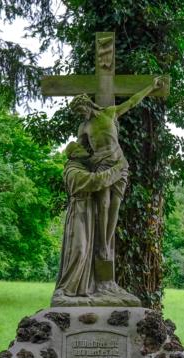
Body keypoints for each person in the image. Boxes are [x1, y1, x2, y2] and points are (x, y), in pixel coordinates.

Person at [68, 75, 167, 303]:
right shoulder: (84, 127)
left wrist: (151, 86)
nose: (80, 115)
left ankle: (106, 243)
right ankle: (102, 245)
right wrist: (74, 167)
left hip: (120, 166)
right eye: (78, 113)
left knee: (114, 207)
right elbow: (79, 150)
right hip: (102, 166)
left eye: (81, 110)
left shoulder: (109, 113)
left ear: (87, 104)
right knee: (102, 204)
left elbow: (132, 102)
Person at [52, 141, 128, 306]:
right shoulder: (73, 172)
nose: (84, 148)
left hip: (89, 213)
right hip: (79, 212)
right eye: (79, 148)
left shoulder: (83, 168)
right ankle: (66, 289)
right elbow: (95, 181)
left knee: (88, 250)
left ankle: (85, 287)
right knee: (78, 248)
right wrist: (117, 169)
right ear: (73, 154)